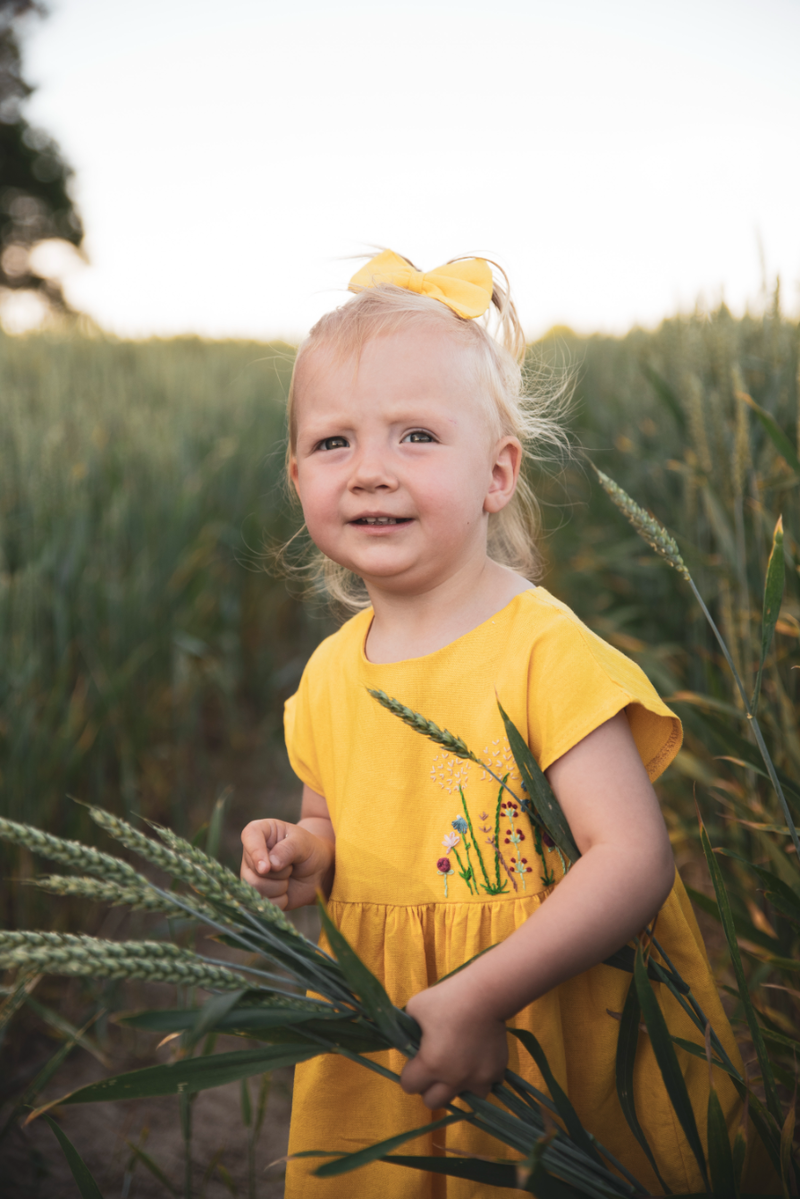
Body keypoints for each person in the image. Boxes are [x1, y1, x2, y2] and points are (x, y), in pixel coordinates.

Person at [240, 250, 742, 1197]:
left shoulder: (543, 650)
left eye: (417, 436)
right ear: (297, 475)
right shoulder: (331, 673)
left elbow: (633, 860)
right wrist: (303, 852)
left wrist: (481, 994)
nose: (370, 471)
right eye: (334, 442)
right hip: (393, 1036)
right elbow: (332, 822)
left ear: (497, 473)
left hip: (542, 1035)